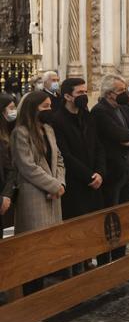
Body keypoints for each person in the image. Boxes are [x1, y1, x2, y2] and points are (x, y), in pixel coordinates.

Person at [11, 91, 65, 292]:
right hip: (33, 195)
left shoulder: (48, 129)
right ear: (33, 108)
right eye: (45, 107)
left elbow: (58, 159)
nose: (49, 110)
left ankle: (45, 293)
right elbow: (27, 166)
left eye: (50, 106)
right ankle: (31, 292)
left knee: (50, 248)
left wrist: (60, 184)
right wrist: (53, 185)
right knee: (33, 249)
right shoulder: (21, 133)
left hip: (54, 194)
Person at [91, 74, 129, 263]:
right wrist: (128, 136)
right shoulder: (99, 111)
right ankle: (105, 259)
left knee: (124, 216)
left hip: (128, 169)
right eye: (120, 90)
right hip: (112, 171)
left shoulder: (125, 108)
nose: (124, 94)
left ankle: (120, 257)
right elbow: (116, 134)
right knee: (109, 217)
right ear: (109, 93)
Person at [52, 77, 105, 222]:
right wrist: (89, 176)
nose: (84, 96)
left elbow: (98, 146)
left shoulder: (87, 116)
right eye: (80, 92)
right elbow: (65, 155)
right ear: (68, 96)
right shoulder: (57, 120)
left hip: (95, 180)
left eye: (85, 92)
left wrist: (100, 172)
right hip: (75, 183)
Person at [0, 93, 18, 239]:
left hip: (4, 192)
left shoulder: (9, 131)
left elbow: (10, 168)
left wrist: (6, 194)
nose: (14, 111)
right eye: (11, 108)